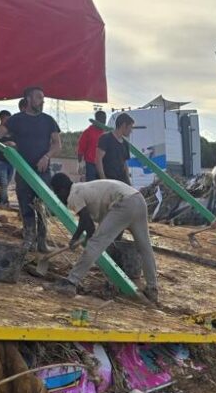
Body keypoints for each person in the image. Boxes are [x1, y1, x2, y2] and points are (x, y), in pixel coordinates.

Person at [49, 173, 158, 302]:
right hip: (138, 200)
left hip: (123, 203)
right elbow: (88, 224)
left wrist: (75, 238)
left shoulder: (74, 194)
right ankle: (152, 289)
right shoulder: (83, 188)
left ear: (62, 190)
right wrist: (80, 236)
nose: (59, 198)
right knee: (144, 247)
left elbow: (87, 224)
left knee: (95, 244)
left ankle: (71, 282)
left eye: (57, 194)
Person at [0, 86, 62, 252]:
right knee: (25, 206)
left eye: (43, 98)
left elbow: (57, 145)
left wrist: (47, 156)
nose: (42, 101)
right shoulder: (16, 120)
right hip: (23, 171)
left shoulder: (48, 120)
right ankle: (29, 239)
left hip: (42, 172)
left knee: (42, 207)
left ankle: (42, 242)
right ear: (28, 99)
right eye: (38, 98)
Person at [96, 112, 132, 185]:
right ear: (124, 125)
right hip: (109, 181)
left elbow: (125, 164)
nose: (131, 131)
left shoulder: (125, 144)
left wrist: (128, 182)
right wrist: (104, 180)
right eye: (130, 128)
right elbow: (98, 159)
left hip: (121, 181)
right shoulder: (105, 138)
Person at [0, 110, 16, 207]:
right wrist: (5, 144)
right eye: (7, 119)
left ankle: (2, 200)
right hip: (0, 160)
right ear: (1, 119)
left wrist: (14, 145)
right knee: (4, 182)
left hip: (11, 161)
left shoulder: (13, 132)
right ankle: (4, 202)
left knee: (6, 183)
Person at [77, 110, 106, 182]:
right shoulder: (88, 132)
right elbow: (81, 149)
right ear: (96, 119)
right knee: (92, 186)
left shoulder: (106, 133)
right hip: (90, 165)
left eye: (105, 119)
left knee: (103, 186)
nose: (104, 121)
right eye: (102, 119)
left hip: (103, 164)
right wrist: (79, 163)